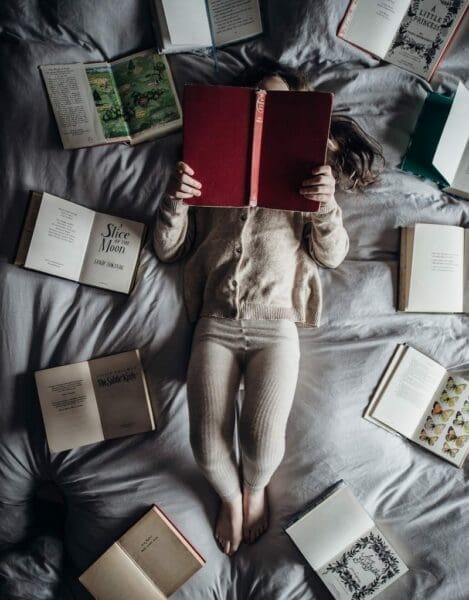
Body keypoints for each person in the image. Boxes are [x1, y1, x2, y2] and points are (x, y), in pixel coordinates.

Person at [153, 63, 384, 556]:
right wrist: (175, 201)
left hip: (276, 325)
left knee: (260, 441)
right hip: (214, 323)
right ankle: (232, 498)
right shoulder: (212, 170)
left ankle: (255, 489)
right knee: (204, 442)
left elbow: (332, 254)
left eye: (277, 105)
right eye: (256, 99)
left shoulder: (306, 178)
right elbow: (169, 249)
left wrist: (324, 205)